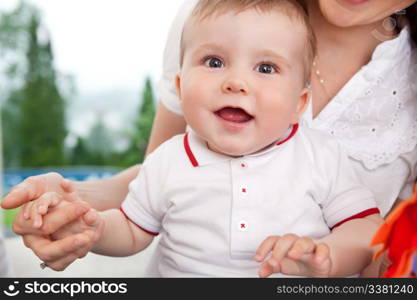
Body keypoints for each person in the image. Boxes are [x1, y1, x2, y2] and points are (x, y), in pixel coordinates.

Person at [2, 0, 417, 274]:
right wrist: (83, 216)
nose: (236, 82)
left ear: (300, 101)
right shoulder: (212, 17)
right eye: (215, 62)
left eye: (267, 69)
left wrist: (324, 258)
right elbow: (137, 217)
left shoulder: (322, 157)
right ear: (181, 85)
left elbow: (373, 235)